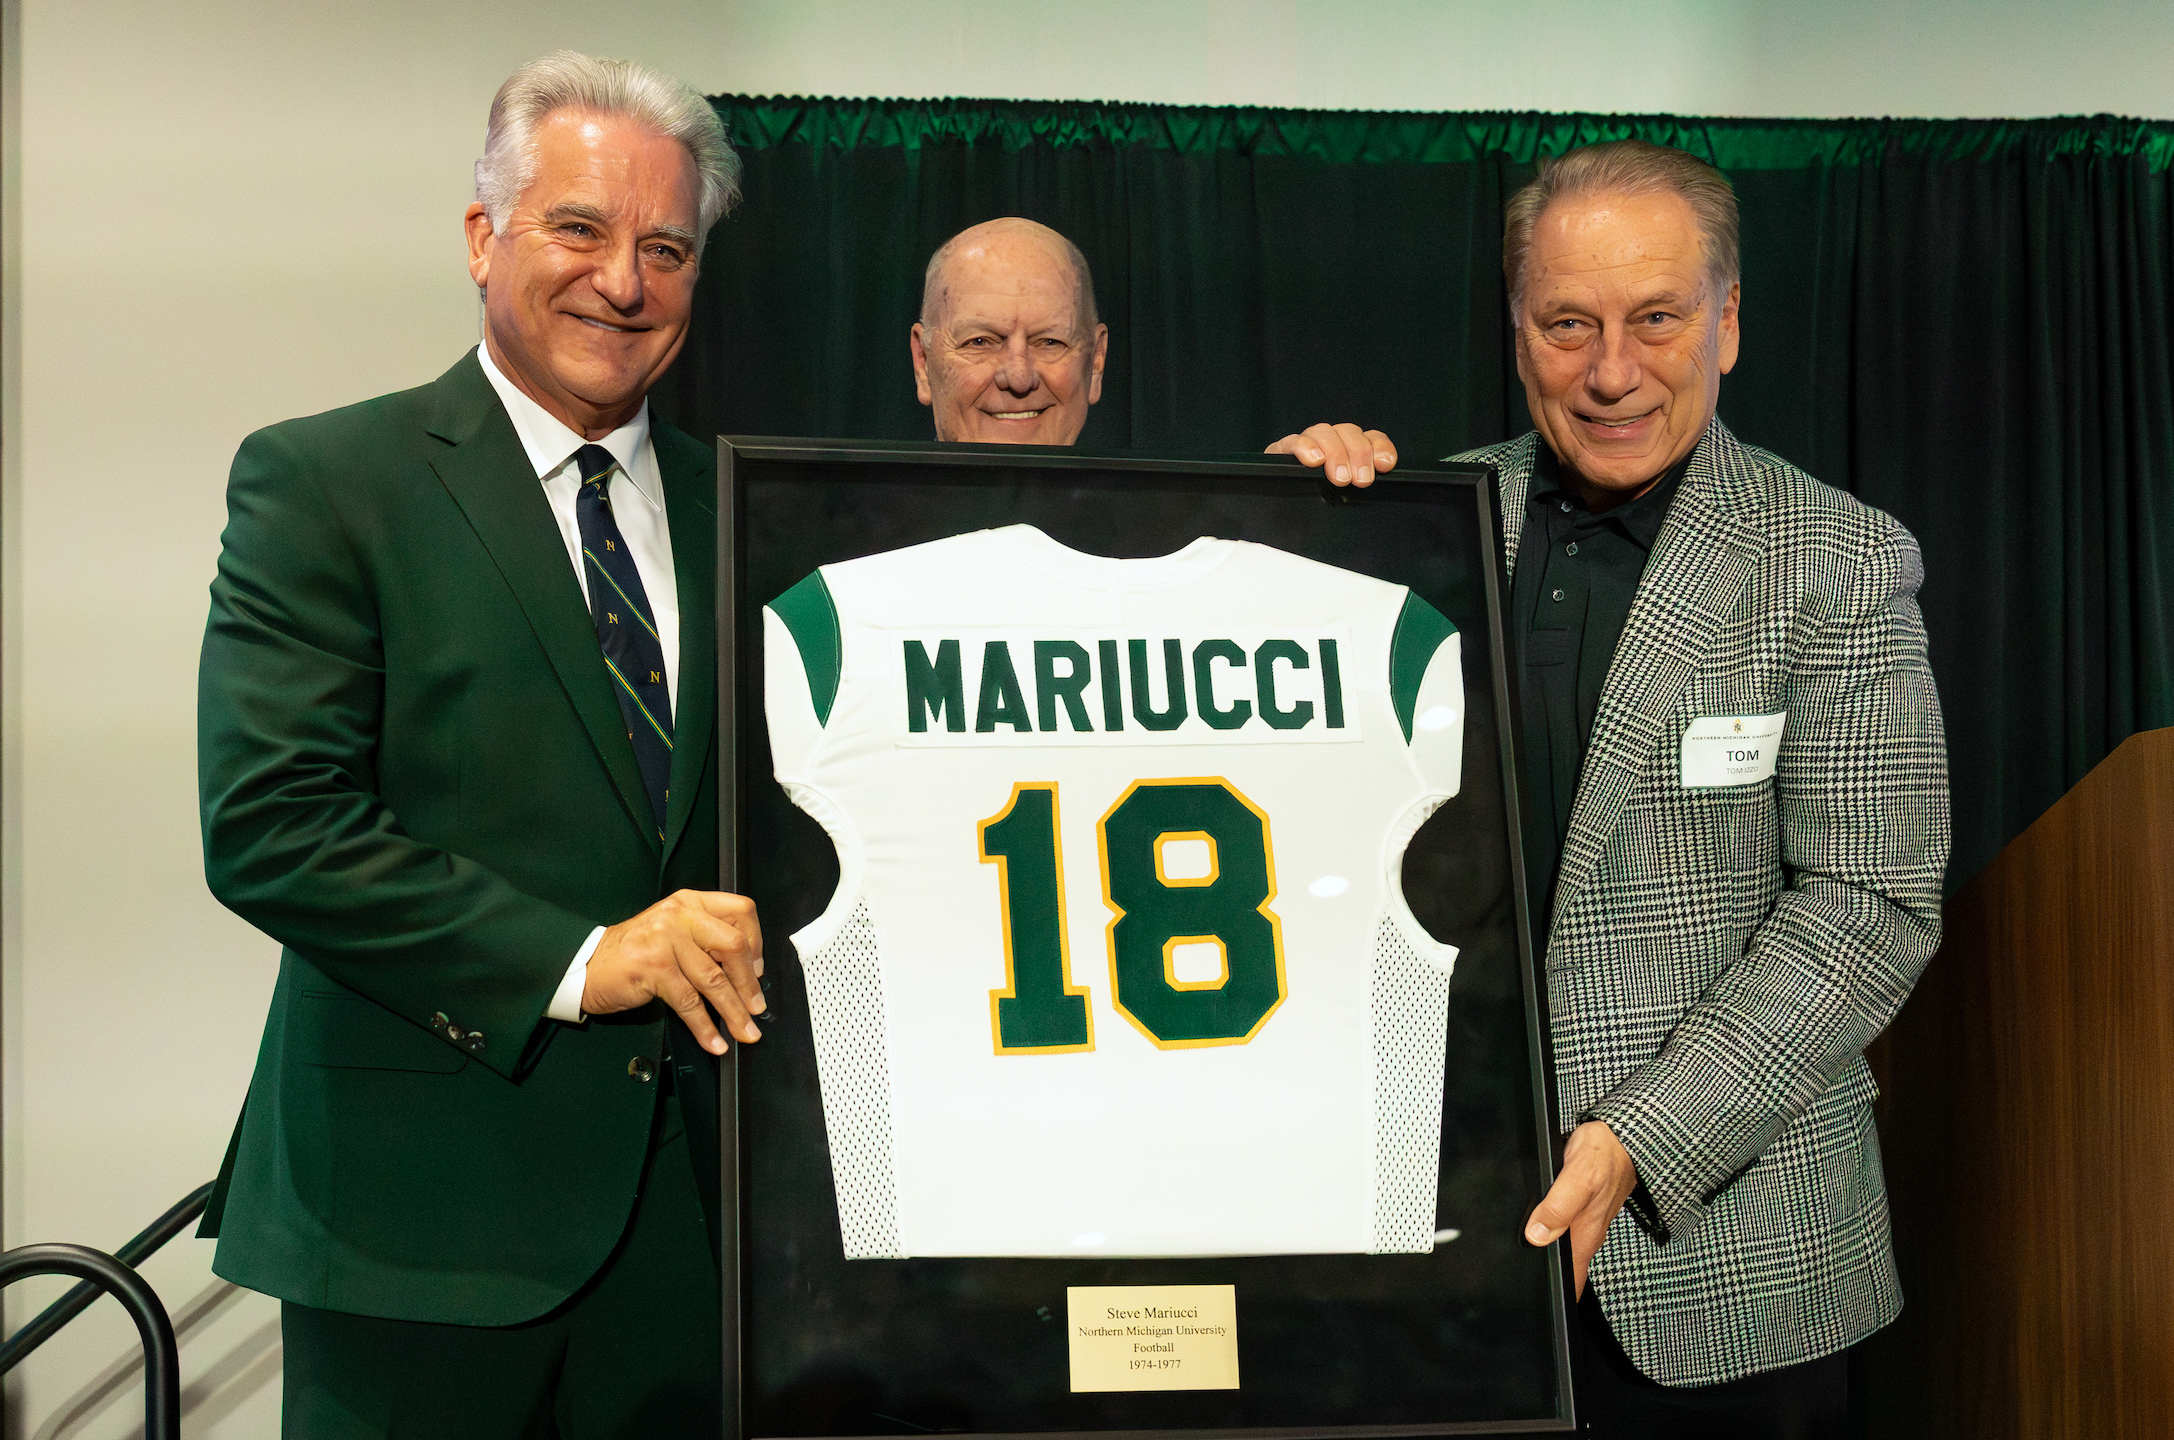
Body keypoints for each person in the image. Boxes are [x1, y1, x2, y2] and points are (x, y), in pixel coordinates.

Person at [1333, 140, 1948, 1434]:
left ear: (1726, 321)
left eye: (1654, 318)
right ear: (1516, 334)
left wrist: (1635, 1143)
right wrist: (1295, 524)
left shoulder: (1833, 561)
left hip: (1727, 1271)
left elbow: (1868, 907)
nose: (1610, 370)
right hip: (1430, 1239)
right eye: (1567, 324)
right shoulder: (1420, 523)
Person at [196, 52, 766, 1434]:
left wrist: (1305, 507)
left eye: (665, 247)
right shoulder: (328, 481)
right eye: (577, 228)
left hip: (704, 1239)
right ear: (480, 238)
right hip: (410, 1235)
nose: (621, 282)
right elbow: (272, 828)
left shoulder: (754, 505)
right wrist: (583, 961)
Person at [912, 215, 1395, 476]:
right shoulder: (843, 549)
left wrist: (1284, 504)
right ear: (922, 362)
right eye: (980, 341)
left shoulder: (1177, 540)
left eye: (1049, 341)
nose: (1018, 377)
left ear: (1096, 362)